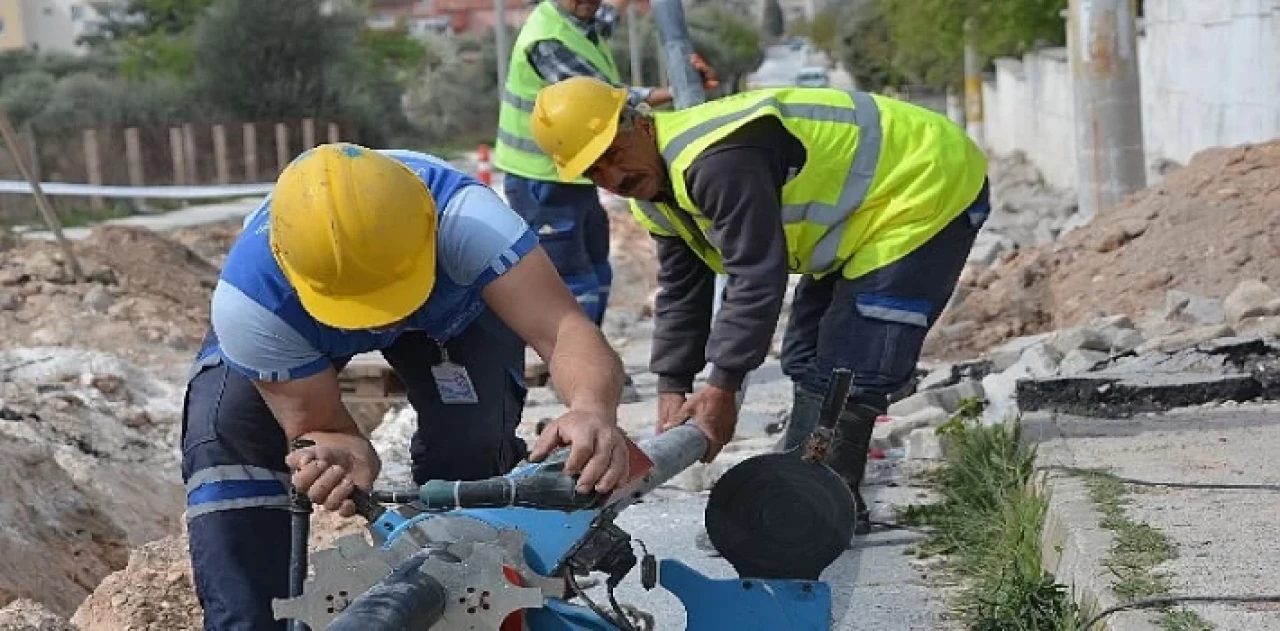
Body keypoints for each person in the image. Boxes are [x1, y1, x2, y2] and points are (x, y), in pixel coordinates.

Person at [181, 143, 633, 630]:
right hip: (299, 324)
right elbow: (322, 426)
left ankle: (487, 600)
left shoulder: (471, 222)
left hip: (454, 313)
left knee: (474, 453)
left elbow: (564, 330)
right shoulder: (250, 302)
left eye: (392, 296)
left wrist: (590, 409)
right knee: (225, 429)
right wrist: (336, 455)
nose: (387, 318)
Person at [527, 76, 990, 536]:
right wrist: (673, 386)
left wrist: (722, 388)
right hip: (864, 218)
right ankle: (810, 496)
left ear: (641, 124)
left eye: (612, 153)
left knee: (855, 360)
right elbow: (682, 292)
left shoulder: (716, 162)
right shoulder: (654, 194)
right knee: (806, 355)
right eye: (594, 171)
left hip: (926, 182)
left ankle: (817, 512)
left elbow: (756, 275)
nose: (613, 178)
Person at [493, 0, 717, 401]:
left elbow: (610, 15)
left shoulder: (583, 18)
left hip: (579, 167)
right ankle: (578, 382)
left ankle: (591, 367)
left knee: (597, 272)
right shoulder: (548, 39)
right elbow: (607, 98)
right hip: (541, 179)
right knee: (571, 281)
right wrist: (677, 90)